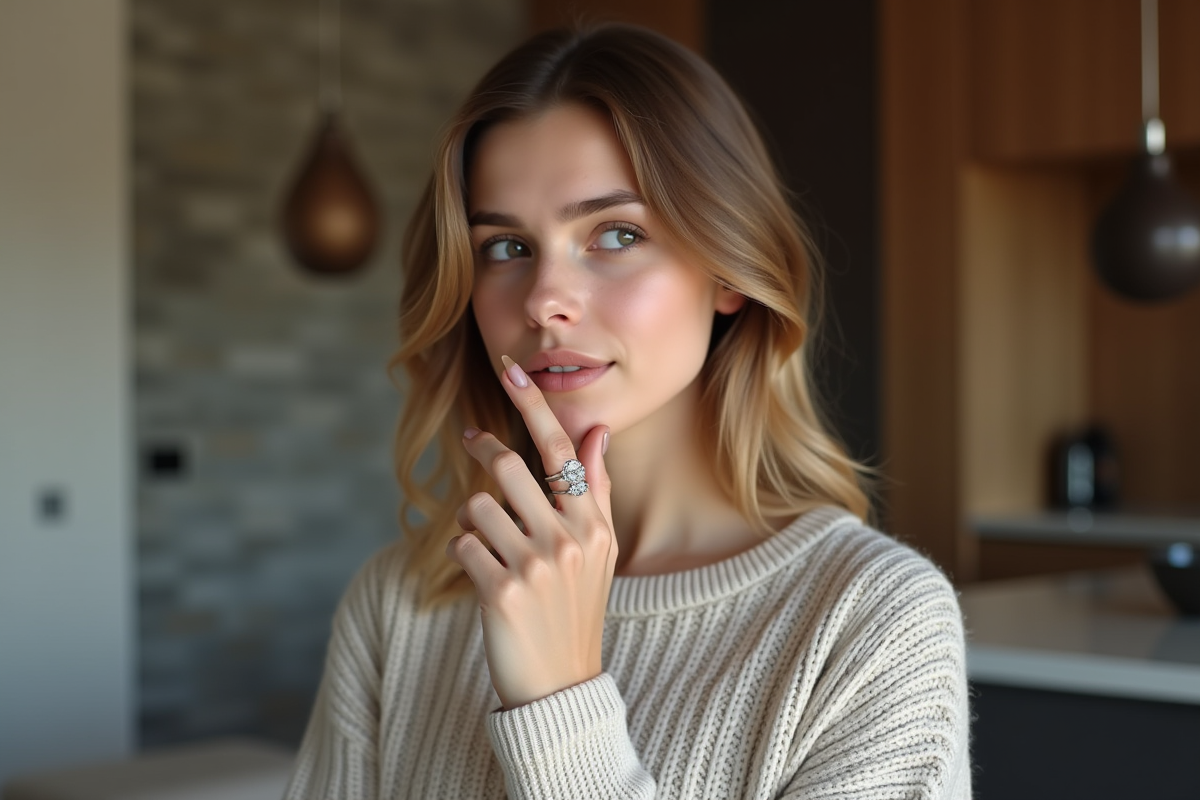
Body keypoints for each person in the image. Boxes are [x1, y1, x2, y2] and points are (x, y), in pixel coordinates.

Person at [284, 22, 971, 800]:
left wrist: (559, 702)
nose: (544, 301)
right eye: (506, 248)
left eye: (615, 234)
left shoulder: (870, 624)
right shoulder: (401, 602)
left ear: (728, 269)